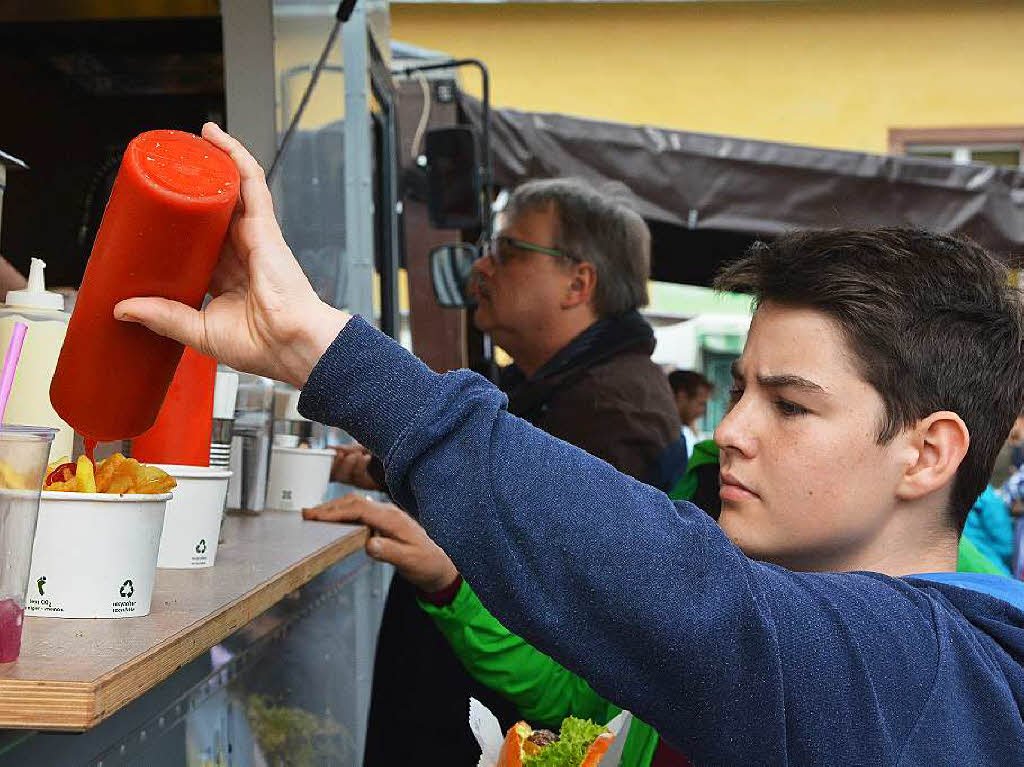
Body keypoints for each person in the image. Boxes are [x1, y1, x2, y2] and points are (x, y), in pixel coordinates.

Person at [118, 124, 1024, 764]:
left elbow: (690, 595)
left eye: (790, 405)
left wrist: (328, 352)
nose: (733, 431)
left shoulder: (929, 672)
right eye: (742, 388)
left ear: (928, 452)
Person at [330, 177, 683, 763]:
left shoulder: (611, 411)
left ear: (579, 281)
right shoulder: (556, 389)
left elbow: (562, 604)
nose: (482, 269)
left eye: (508, 250)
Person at [666, 370, 712, 460]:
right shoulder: (668, 439)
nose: (703, 411)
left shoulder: (676, 432)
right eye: (701, 404)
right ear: (681, 397)